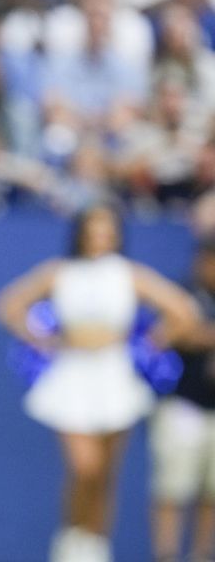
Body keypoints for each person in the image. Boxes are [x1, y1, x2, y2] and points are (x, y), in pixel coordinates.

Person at [0, 203, 199, 562]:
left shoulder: (128, 274)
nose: (100, 235)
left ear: (117, 232)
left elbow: (182, 311)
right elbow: (9, 305)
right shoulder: (59, 272)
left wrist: (151, 341)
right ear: (81, 231)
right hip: (71, 376)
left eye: (107, 228)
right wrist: (43, 339)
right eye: (94, 227)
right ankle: (71, 544)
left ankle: (96, 548)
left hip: (115, 376)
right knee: (83, 468)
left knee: (105, 474)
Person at [150, 237, 215, 562]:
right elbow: (165, 335)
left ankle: (202, 555)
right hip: (182, 405)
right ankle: (168, 555)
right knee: (172, 490)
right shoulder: (182, 293)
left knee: (211, 492)